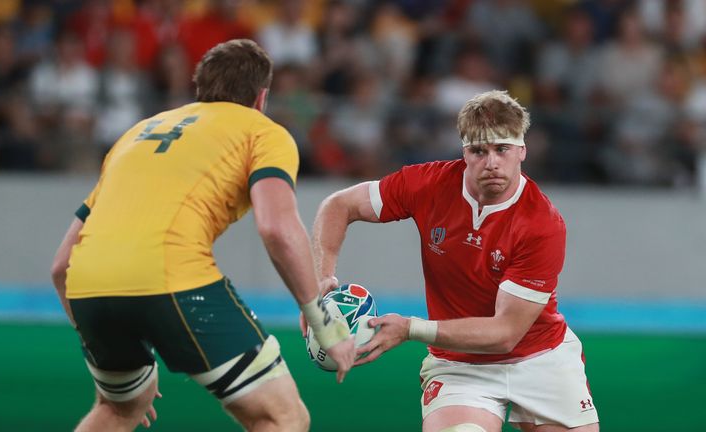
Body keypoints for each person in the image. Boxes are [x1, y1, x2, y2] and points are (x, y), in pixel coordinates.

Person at [50, 39, 356, 432]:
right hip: (173, 280)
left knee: (120, 408)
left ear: (201, 90)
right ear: (261, 97)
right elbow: (276, 227)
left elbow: (61, 265)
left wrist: (104, 337)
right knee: (282, 417)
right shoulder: (263, 131)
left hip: (87, 288)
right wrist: (322, 321)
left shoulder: (137, 134)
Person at [311, 90, 599, 432]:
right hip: (459, 363)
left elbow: (506, 333)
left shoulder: (542, 224)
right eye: (479, 150)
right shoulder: (428, 184)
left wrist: (410, 329)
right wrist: (321, 281)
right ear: (464, 151)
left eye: (501, 149)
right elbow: (338, 205)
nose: (491, 162)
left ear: (522, 150)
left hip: (540, 357)